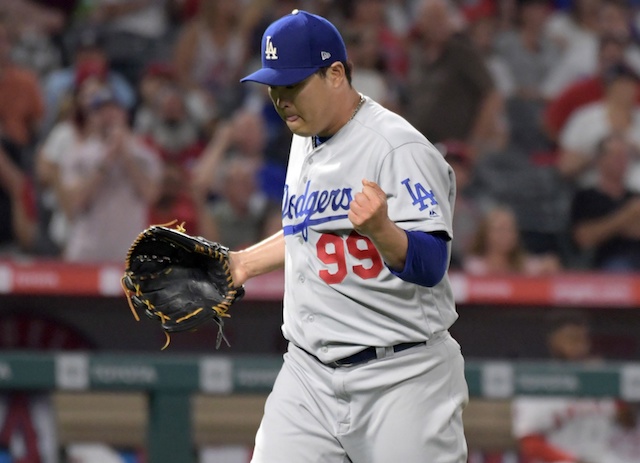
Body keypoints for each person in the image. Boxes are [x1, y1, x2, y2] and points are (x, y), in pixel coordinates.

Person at [232, 9, 468, 463]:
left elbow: (432, 262)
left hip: (401, 376)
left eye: (292, 86)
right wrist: (241, 264)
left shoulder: (398, 148)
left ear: (336, 73)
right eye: (273, 87)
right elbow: (308, 234)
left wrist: (382, 229)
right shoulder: (305, 136)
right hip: (307, 373)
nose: (281, 100)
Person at [512, 310, 618, 463]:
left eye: (584, 340)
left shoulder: (598, 378)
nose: (581, 347)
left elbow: (627, 422)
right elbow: (530, 443)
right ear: (554, 341)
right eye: (572, 339)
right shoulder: (537, 381)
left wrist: (610, 383)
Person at [569, 133, 640, 271]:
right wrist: (628, 215)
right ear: (600, 159)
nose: (622, 161)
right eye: (616, 156)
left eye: (626, 156)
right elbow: (584, 238)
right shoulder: (586, 197)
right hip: (608, 263)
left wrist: (608, 228)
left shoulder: (635, 195)